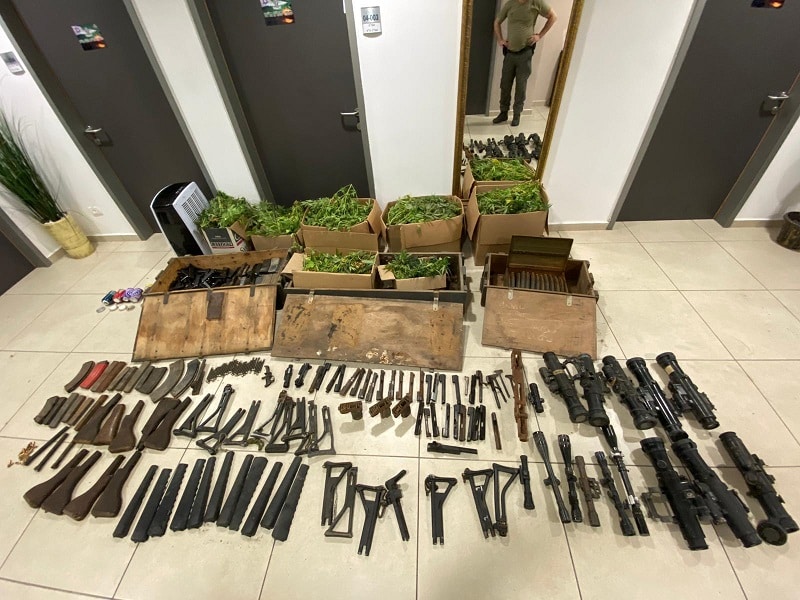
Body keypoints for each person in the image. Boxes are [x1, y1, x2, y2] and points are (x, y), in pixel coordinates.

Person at [493, 0, 557, 127]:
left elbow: (553, 16)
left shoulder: (536, 2)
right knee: (505, 84)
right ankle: (503, 112)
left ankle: (517, 115)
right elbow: (497, 22)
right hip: (510, 53)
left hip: (525, 53)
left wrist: (539, 36)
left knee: (521, 86)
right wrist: (500, 40)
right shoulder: (510, 4)